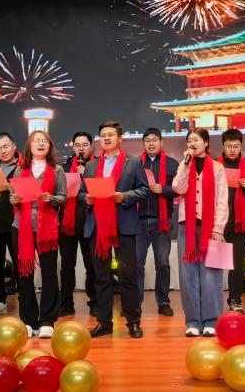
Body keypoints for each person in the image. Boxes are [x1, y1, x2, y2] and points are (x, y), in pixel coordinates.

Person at [79, 121, 150, 339]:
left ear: (120, 138)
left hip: (123, 225)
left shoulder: (133, 162)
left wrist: (124, 196)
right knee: (101, 276)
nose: (106, 138)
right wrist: (86, 199)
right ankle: (104, 322)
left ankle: (133, 321)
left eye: (111, 135)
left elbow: (144, 190)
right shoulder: (91, 166)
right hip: (98, 227)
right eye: (103, 135)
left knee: (128, 276)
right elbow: (81, 194)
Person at [172, 128, 229, 337]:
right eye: (189, 140)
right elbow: (178, 188)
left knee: (211, 275)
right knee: (188, 276)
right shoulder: (184, 164)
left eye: (196, 140)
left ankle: (211, 321)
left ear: (206, 143)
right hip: (186, 227)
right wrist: (185, 165)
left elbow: (222, 199)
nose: (192, 143)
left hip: (210, 227)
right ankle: (193, 321)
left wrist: (218, 228)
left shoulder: (217, 168)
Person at [10, 130, 67, 339]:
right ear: (30, 146)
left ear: (49, 146)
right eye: (37, 141)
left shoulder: (57, 170)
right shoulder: (20, 169)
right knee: (24, 274)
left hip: (48, 228)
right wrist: (14, 199)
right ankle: (28, 320)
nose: (41, 144)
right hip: (22, 227)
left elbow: (63, 197)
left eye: (45, 141)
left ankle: (47, 320)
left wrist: (50, 198)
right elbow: (12, 197)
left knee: (49, 273)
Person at [217, 129, 245, 314]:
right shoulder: (214, 165)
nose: (232, 150)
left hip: (240, 223)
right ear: (223, 146)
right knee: (216, 264)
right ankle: (213, 300)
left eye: (236, 146)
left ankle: (235, 299)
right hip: (218, 223)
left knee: (237, 263)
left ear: (241, 146)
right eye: (229, 146)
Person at [137, 128, 180, 317]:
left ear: (161, 142)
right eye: (147, 140)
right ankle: (135, 303)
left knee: (162, 263)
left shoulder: (172, 164)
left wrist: (163, 189)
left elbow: (179, 189)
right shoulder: (135, 163)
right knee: (136, 264)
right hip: (138, 221)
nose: (151, 143)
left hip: (162, 221)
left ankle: (163, 302)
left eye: (154, 140)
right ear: (144, 143)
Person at [59, 132, 97, 316]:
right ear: (73, 147)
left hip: (89, 221)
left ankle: (94, 302)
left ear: (91, 146)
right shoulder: (64, 167)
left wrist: (86, 176)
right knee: (67, 266)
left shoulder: (97, 165)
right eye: (77, 145)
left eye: (85, 145)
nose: (81, 148)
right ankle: (66, 303)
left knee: (92, 265)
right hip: (68, 222)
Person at [0, 132, 23, 318]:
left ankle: (25, 297)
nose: (2, 151)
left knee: (20, 262)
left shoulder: (25, 165)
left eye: (6, 146)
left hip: (17, 222)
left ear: (14, 146)